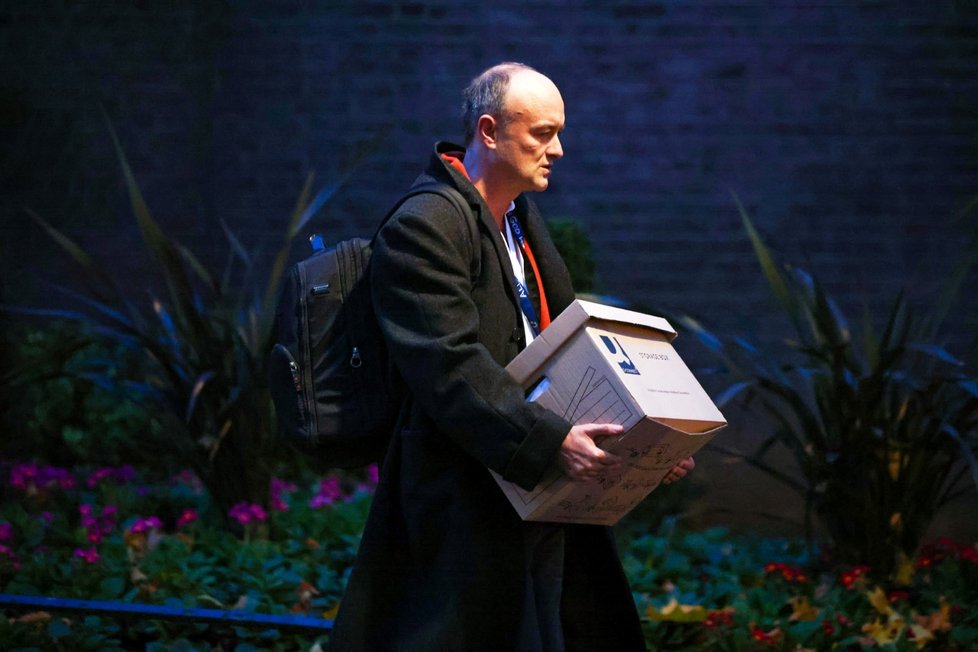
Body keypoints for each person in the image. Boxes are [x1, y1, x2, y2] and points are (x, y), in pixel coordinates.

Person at [328, 62, 695, 652]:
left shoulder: (520, 221)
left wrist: (645, 440)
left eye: (558, 133)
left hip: (536, 488)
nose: (559, 149)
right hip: (464, 497)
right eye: (542, 133)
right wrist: (550, 441)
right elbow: (448, 367)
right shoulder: (424, 224)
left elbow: (573, 347)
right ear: (490, 130)